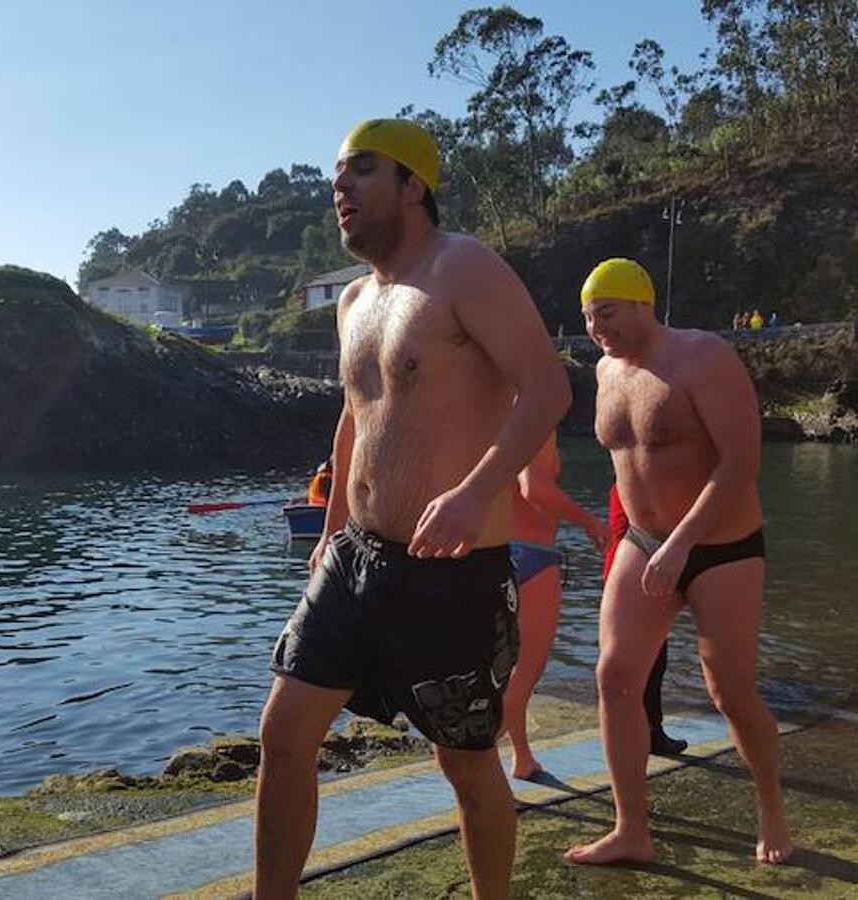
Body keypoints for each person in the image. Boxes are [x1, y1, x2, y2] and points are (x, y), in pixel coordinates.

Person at [255, 118, 571, 900]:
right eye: (336, 175)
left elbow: (547, 389)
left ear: (412, 185)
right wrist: (326, 537)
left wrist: (472, 493)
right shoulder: (354, 299)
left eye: (361, 170)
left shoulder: (464, 268)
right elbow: (354, 417)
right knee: (283, 733)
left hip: (451, 573)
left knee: (463, 761)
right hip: (354, 559)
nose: (341, 187)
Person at [565, 258, 791, 867]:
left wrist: (684, 541)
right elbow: (628, 465)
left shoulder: (703, 357)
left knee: (731, 691)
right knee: (614, 679)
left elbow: (741, 461)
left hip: (722, 548)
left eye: (605, 312)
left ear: (642, 303)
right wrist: (629, 537)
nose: (595, 327)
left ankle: (770, 806)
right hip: (643, 542)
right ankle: (630, 829)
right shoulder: (605, 371)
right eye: (587, 317)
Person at [504, 434, 610, 780]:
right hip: (532, 554)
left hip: (492, 551)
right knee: (528, 669)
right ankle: (478, 752)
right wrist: (589, 521)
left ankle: (522, 757)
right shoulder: (536, 418)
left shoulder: (485, 409)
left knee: (502, 669)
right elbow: (535, 489)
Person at [604, 484, 687, 759]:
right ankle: (651, 731)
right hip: (639, 572)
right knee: (652, 662)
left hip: (621, 568)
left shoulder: (625, 482)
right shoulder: (639, 487)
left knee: (635, 662)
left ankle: (647, 729)